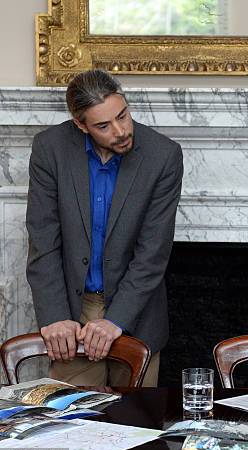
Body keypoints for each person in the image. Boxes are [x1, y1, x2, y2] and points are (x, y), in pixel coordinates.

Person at [26, 69, 183, 386]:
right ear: (80, 124)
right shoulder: (49, 149)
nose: (121, 130)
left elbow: (152, 252)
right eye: (103, 125)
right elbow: (43, 241)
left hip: (136, 313)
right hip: (73, 310)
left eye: (123, 116)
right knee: (72, 425)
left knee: (134, 425)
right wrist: (56, 317)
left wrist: (116, 320)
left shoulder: (163, 156)